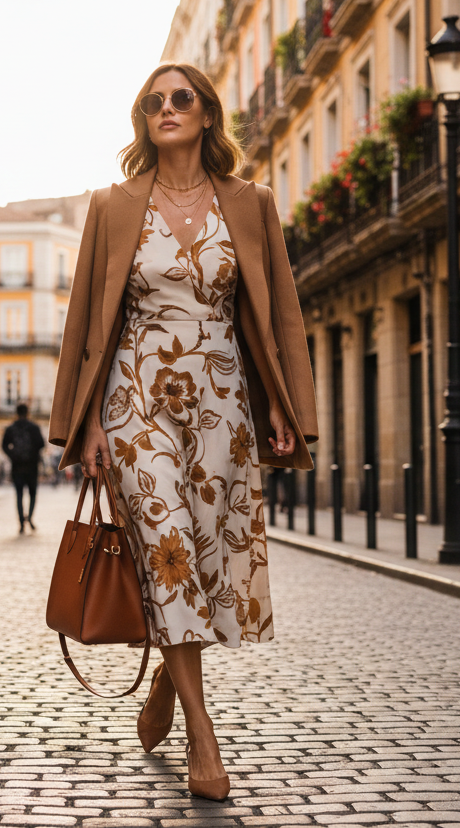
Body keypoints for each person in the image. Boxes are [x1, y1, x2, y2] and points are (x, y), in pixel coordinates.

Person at [48, 63, 318, 801]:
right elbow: (85, 322)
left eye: (181, 99)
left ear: (206, 115)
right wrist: (89, 417)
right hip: (137, 398)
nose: (166, 109)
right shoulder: (112, 205)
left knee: (200, 557)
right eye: (153, 102)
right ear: (142, 119)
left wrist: (281, 405)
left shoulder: (251, 202)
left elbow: (277, 316)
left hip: (223, 398)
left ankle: (172, 675)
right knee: (167, 548)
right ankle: (204, 736)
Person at [2, 403, 44, 533]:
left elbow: (4, 446)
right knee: (32, 494)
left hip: (17, 467)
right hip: (32, 467)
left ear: (16, 413)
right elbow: (41, 444)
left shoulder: (11, 428)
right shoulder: (34, 427)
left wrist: (13, 456)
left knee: (19, 495)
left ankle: (21, 522)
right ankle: (30, 518)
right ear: (27, 413)